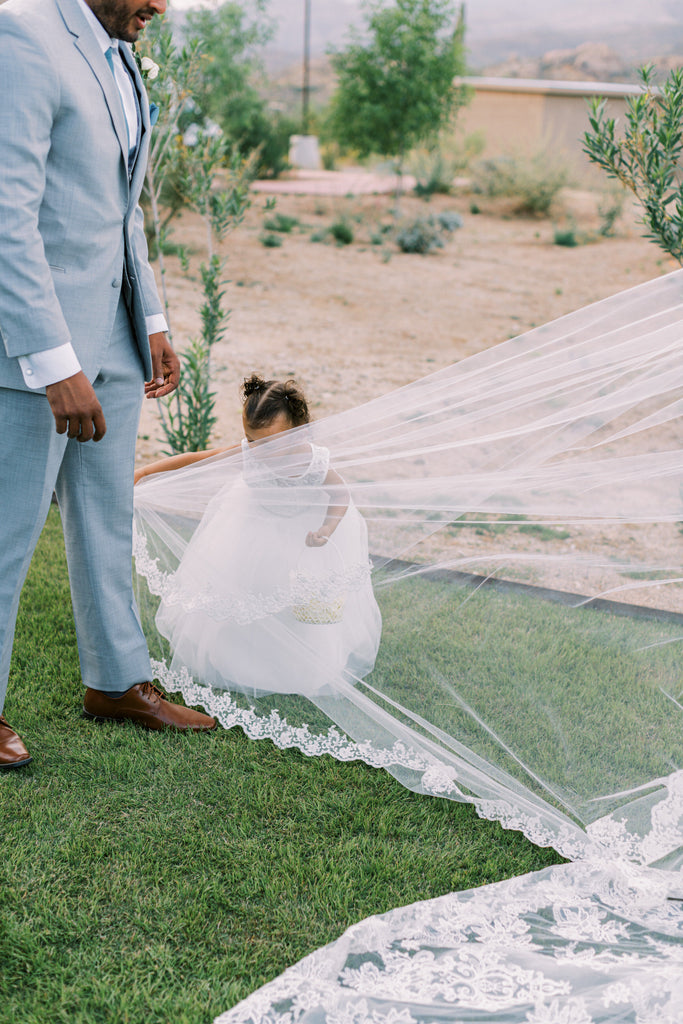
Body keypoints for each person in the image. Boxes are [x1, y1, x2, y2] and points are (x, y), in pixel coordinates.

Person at [0, 0, 216, 770]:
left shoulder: (121, 53)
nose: (159, 5)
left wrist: (150, 316)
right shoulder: (22, 38)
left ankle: (117, 681)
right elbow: (7, 215)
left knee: (106, 515)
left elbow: (120, 210)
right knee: (6, 535)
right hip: (37, 353)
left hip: (117, 339)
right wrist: (54, 362)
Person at [134, 375, 382, 697]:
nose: (256, 451)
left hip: (302, 539)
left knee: (298, 601)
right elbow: (199, 460)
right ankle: (243, 659)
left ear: (298, 434)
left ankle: (299, 663)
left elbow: (340, 496)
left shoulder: (312, 461)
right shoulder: (249, 454)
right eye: (251, 440)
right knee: (246, 593)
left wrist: (327, 528)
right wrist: (145, 472)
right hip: (251, 531)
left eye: (268, 444)